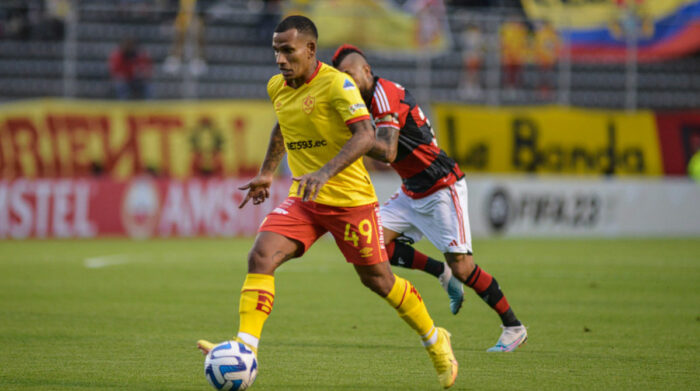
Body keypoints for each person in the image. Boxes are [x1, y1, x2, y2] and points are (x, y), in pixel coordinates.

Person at [197, 16, 458, 389]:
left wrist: (325, 172)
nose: (281, 59)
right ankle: (245, 349)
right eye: (276, 51)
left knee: (378, 280)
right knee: (261, 255)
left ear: (310, 50)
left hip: (350, 200)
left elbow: (367, 135)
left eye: (288, 51)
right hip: (305, 199)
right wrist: (268, 172)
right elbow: (283, 124)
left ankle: (436, 340)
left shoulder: (338, 85)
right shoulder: (277, 86)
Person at [332, 44, 527, 352]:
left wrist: (353, 141)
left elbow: (387, 151)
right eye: (340, 76)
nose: (346, 81)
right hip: (412, 190)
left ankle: (513, 326)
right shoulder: (359, 104)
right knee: (369, 243)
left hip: (441, 187)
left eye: (349, 73)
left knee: (465, 268)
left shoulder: (383, 93)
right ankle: (440, 271)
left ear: (366, 71)